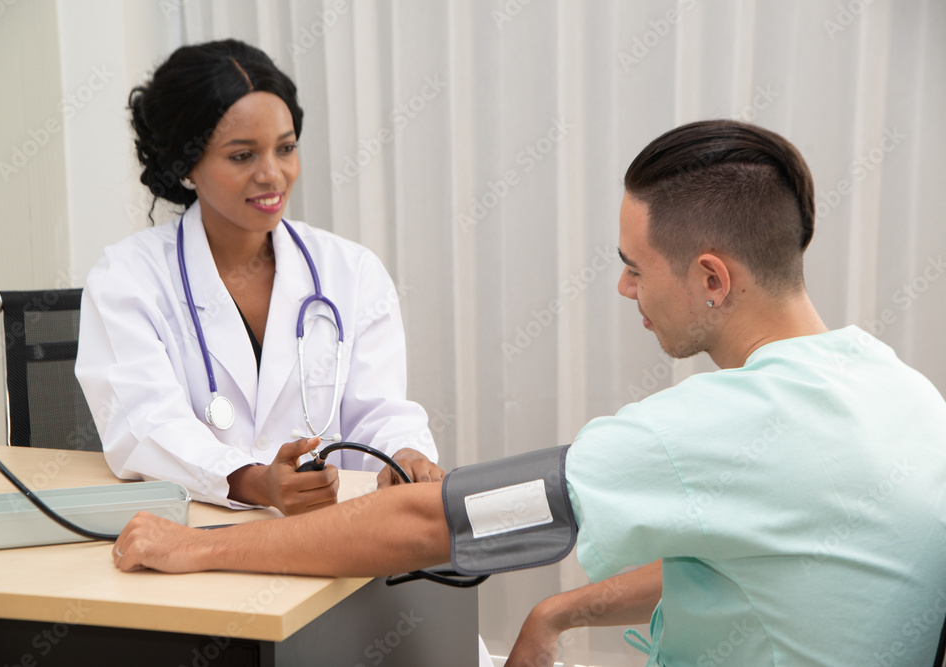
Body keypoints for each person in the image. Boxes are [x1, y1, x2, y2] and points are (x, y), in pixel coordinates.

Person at [109, 119, 946, 665]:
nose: (624, 289)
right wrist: (558, 614)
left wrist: (196, 548)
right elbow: (773, 544)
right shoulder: (899, 390)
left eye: (633, 266)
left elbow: (429, 521)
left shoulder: (717, 424)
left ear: (712, 277)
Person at [75, 39, 442, 515]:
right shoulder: (127, 279)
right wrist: (250, 481)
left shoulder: (350, 272)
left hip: (335, 537)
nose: (273, 175)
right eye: (242, 155)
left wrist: (405, 454)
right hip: (196, 535)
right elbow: (145, 426)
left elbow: (380, 411)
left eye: (285, 148)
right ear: (186, 166)